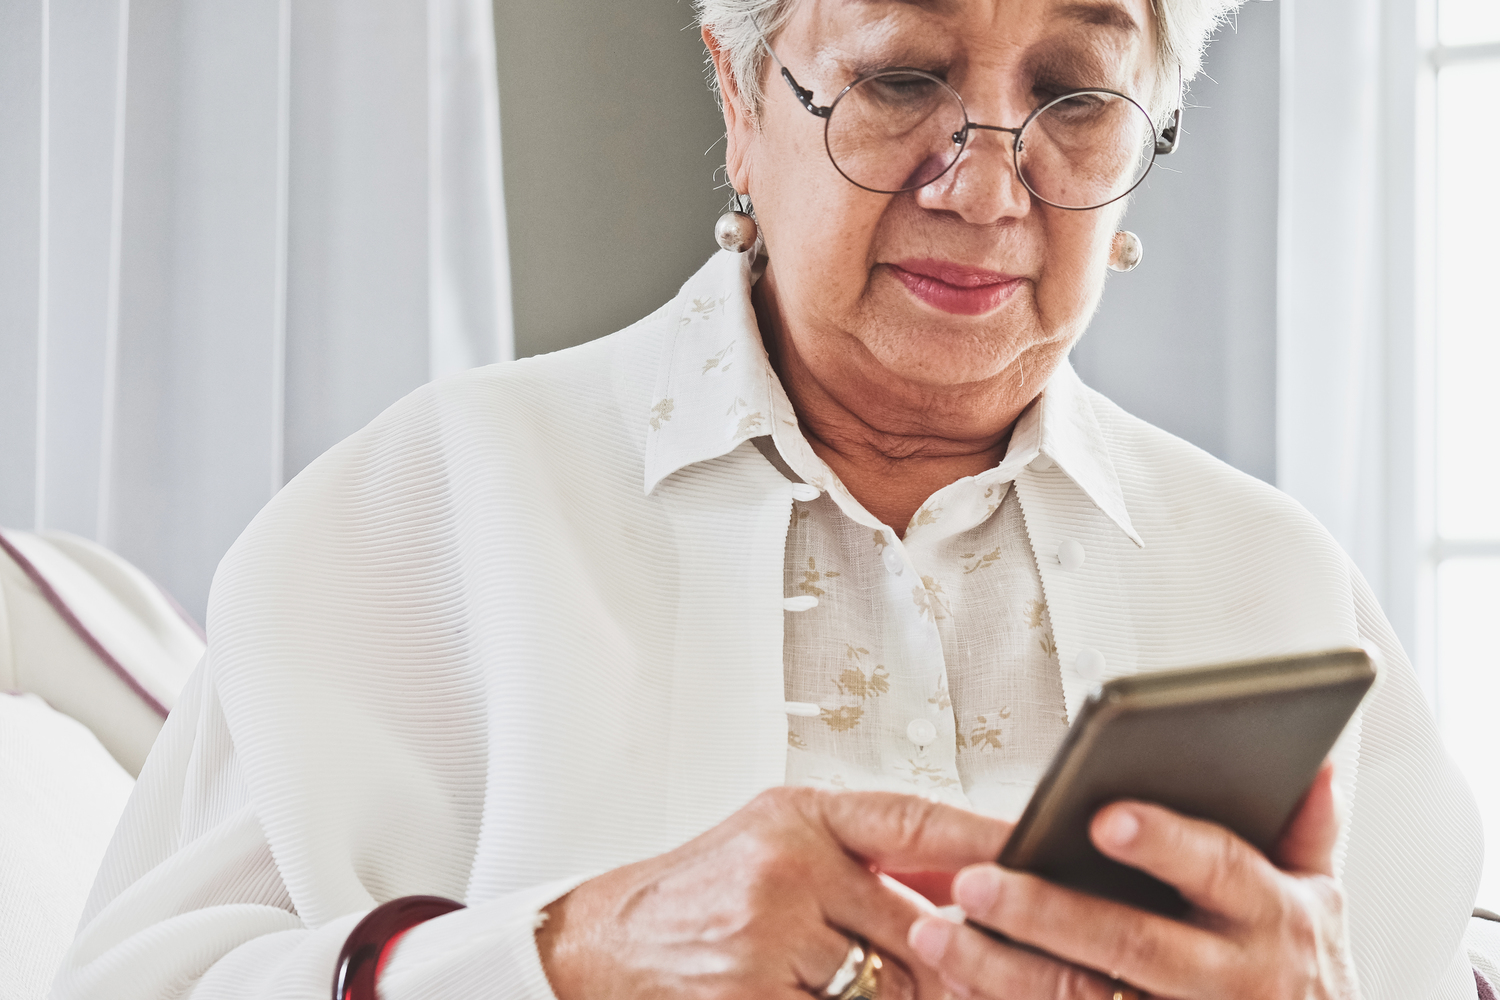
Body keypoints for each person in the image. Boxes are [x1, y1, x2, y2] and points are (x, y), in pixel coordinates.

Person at [54, 0, 1486, 998]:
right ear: (740, 99)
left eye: (1076, 94)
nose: (989, 186)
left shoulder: (1268, 579)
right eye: (902, 78)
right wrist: (558, 963)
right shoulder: (427, 508)